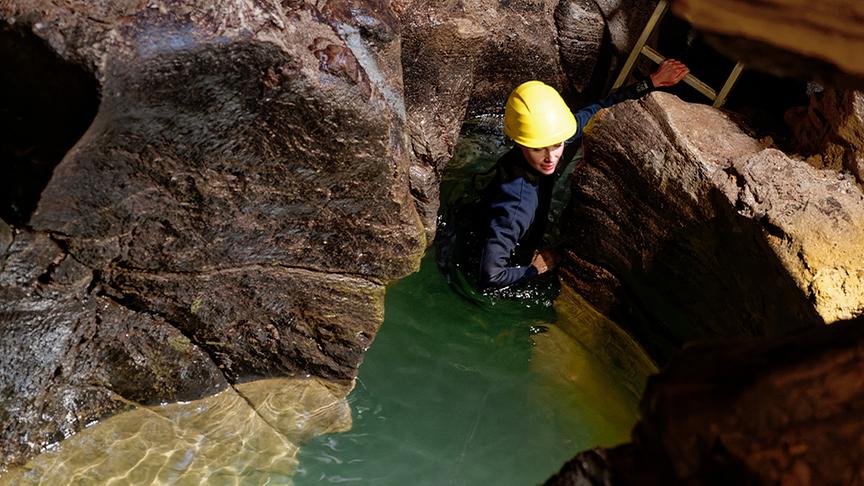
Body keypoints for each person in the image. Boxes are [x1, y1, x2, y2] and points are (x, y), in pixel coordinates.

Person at [478, 59, 689, 289]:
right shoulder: (517, 205)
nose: (551, 157)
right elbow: (490, 276)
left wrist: (651, 82)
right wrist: (534, 269)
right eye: (539, 148)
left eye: (557, 145)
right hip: (495, 250)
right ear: (519, 142)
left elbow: (599, 108)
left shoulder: (550, 133)